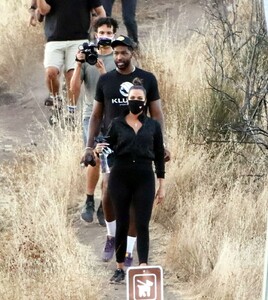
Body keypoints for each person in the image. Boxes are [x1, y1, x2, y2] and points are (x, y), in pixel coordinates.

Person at [81, 35, 170, 266]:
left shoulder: (147, 79)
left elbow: (157, 114)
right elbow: (96, 115)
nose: (119, 57)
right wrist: (89, 147)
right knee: (108, 188)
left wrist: (161, 144)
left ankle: (129, 252)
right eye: (116, 53)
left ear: (132, 53)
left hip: (139, 145)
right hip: (112, 143)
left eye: (123, 53)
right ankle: (111, 236)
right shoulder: (106, 80)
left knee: (136, 208)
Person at [95, 78, 165, 283]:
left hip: (145, 176)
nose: (136, 101)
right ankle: (119, 267)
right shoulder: (117, 124)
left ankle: (142, 265)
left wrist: (162, 185)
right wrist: (99, 149)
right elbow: (106, 145)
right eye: (132, 98)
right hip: (120, 175)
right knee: (123, 222)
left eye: (139, 98)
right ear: (127, 100)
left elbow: (159, 154)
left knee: (142, 223)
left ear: (145, 101)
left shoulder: (153, 125)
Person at [70, 17, 119, 226]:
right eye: (102, 33)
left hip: (114, 117)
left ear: (114, 35)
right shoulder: (89, 57)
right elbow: (73, 90)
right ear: (95, 34)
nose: (105, 36)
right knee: (94, 157)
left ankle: (103, 204)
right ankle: (89, 200)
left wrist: (103, 73)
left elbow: (119, 91)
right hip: (91, 115)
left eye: (109, 33)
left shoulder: (119, 58)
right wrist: (79, 64)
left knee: (111, 164)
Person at [36, 0, 106, 109]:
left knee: (73, 75)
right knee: (51, 72)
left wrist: (98, 27)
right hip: (54, 38)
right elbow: (44, 10)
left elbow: (101, 12)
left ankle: (71, 111)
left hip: (79, 39)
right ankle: (55, 98)